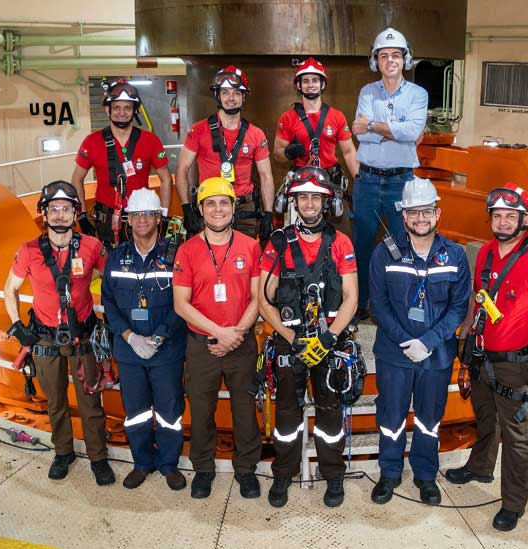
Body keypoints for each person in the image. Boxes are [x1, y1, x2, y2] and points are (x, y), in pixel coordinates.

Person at [446, 183, 528, 532]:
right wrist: (466, 335)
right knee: (485, 416)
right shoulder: (485, 252)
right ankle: (481, 467)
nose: (502, 222)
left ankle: (514, 502)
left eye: (510, 216)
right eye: (497, 216)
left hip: (516, 365)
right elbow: (478, 297)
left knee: (516, 435)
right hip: (482, 353)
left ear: (525, 220)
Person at [3, 180, 115, 486]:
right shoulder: (28, 251)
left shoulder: (92, 247)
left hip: (84, 336)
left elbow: (114, 280)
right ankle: (63, 452)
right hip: (43, 338)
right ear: (44, 213)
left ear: (76, 213)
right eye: (54, 209)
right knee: (55, 401)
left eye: (66, 209)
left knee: (91, 400)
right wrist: (18, 328)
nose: (60, 215)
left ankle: (98, 457)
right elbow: (9, 289)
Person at [258, 166, 358, 508]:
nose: (310, 203)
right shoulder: (278, 242)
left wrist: (329, 338)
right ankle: (283, 474)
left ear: (326, 202)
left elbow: (351, 297)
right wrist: (290, 336)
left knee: (330, 413)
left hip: (329, 342)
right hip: (291, 341)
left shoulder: (341, 243)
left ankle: (333, 476)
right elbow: (263, 299)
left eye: (316, 197)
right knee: (287, 414)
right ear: (294, 201)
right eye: (304, 197)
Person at [368, 177, 470, 505]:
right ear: (404, 216)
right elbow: (377, 305)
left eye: (427, 211)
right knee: (391, 415)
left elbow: (458, 308)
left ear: (438, 213)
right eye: (414, 213)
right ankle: (390, 472)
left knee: (429, 418)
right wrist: (405, 342)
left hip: (436, 356)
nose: (420, 218)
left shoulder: (455, 255)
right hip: (394, 355)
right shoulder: (384, 254)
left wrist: (428, 341)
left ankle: (426, 475)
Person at [172, 177, 263, 500]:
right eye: (210, 203)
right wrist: (219, 332)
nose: (218, 209)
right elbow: (180, 303)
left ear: (234, 208)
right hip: (202, 346)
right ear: (200, 209)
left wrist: (236, 333)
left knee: (245, 410)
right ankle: (203, 470)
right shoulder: (188, 250)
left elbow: (258, 298)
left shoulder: (250, 246)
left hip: (241, 344)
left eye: (224, 202)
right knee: (201, 412)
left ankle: (247, 471)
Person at [100, 188, 188, 491]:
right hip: (129, 351)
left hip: (167, 350)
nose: (142, 220)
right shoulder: (116, 257)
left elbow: (184, 300)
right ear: (128, 219)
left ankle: (168, 464)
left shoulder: (176, 255)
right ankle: (142, 462)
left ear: (158, 219)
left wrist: (161, 335)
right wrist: (128, 335)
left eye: (148, 214)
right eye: (136, 214)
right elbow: (108, 302)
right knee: (135, 410)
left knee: (169, 411)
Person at [351, 28, 428, 321]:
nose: (390, 60)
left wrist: (374, 126)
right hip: (368, 179)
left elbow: (413, 132)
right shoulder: (367, 92)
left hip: (400, 181)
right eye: (384, 56)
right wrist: (397, 131)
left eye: (396, 55)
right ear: (377, 61)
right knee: (363, 243)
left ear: (404, 59)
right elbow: (361, 133)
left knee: (401, 245)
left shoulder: (418, 94)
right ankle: (360, 304)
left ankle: (396, 304)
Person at [175, 65, 275, 242]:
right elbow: (182, 169)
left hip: (245, 208)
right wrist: (186, 207)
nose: (231, 98)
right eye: (226, 92)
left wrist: (268, 214)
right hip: (211, 205)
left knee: (244, 261)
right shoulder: (198, 130)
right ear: (217, 95)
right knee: (209, 262)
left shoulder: (256, 134)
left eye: (237, 93)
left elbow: (266, 176)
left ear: (244, 97)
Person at [71, 79, 173, 249]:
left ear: (134, 111)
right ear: (107, 109)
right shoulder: (92, 142)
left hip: (143, 217)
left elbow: (166, 179)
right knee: (109, 267)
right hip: (106, 221)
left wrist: (164, 215)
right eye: (116, 107)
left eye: (127, 108)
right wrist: (81, 215)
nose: (122, 113)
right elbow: (76, 178)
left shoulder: (150, 141)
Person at [273, 57, 359, 191]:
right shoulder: (288, 117)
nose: (311, 85)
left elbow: (348, 151)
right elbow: (277, 154)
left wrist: (359, 181)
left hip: (330, 180)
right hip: (301, 180)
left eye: (315, 80)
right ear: (299, 85)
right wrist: (288, 153)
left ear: (322, 84)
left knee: (343, 212)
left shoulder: (337, 116)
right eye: (305, 81)